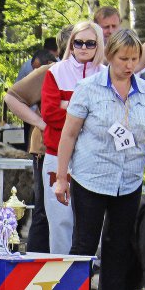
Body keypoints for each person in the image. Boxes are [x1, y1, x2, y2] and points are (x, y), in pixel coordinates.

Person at [54, 29, 145, 290]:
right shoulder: (88, 88)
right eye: (123, 58)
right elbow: (68, 135)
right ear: (109, 57)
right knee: (84, 244)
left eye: (134, 59)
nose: (129, 65)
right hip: (91, 177)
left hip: (129, 179)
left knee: (118, 247)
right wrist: (60, 177)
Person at [4, 26, 73, 252]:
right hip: (47, 149)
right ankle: (37, 268)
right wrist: (41, 123)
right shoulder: (49, 72)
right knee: (45, 211)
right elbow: (11, 97)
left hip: (81, 152)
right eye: (79, 43)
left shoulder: (97, 73)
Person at [41, 21, 105, 254]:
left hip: (95, 158)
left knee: (92, 224)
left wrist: (68, 107)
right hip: (57, 155)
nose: (83, 47)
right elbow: (49, 114)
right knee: (60, 222)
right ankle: (60, 280)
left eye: (90, 43)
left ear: (99, 44)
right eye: (78, 42)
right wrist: (87, 115)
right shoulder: (55, 72)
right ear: (71, 44)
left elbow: (109, 117)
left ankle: (88, 279)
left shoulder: (106, 75)